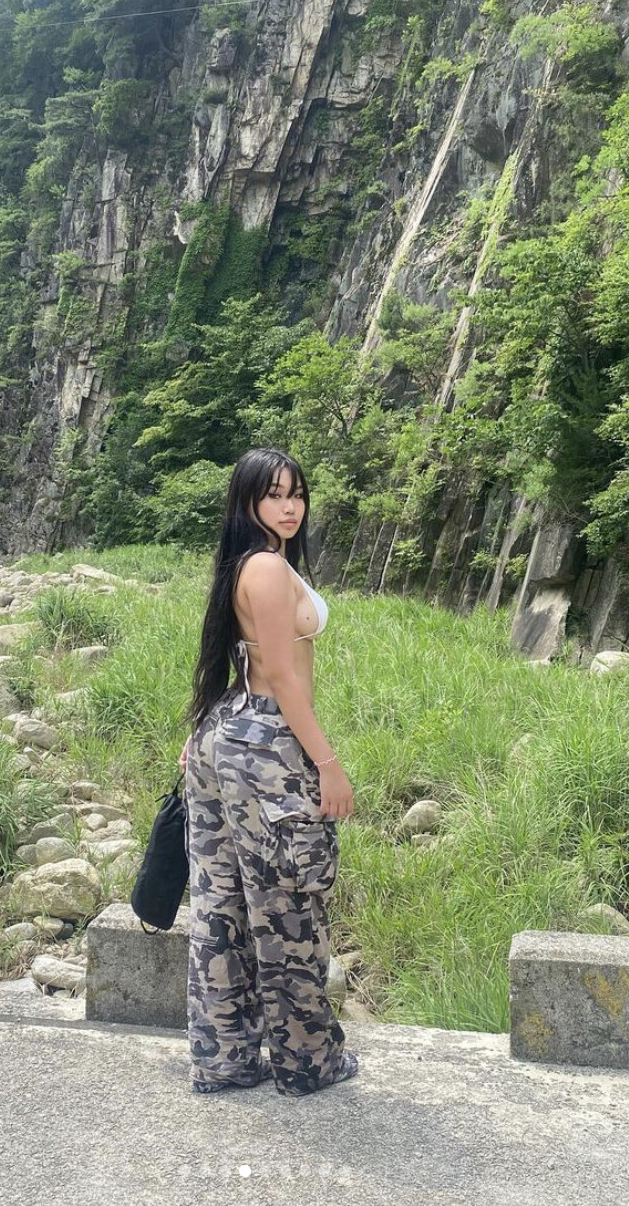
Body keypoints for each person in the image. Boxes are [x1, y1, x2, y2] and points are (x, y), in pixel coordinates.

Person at [179, 446, 359, 1097]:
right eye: (274, 494)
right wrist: (328, 765)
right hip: (269, 745)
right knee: (289, 905)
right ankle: (307, 1062)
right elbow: (281, 675)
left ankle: (224, 1057)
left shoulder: (245, 562)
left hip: (230, 734)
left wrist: (206, 730)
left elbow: (242, 660)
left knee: (221, 904)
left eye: (297, 493)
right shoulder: (268, 567)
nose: (289, 506)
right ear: (248, 500)